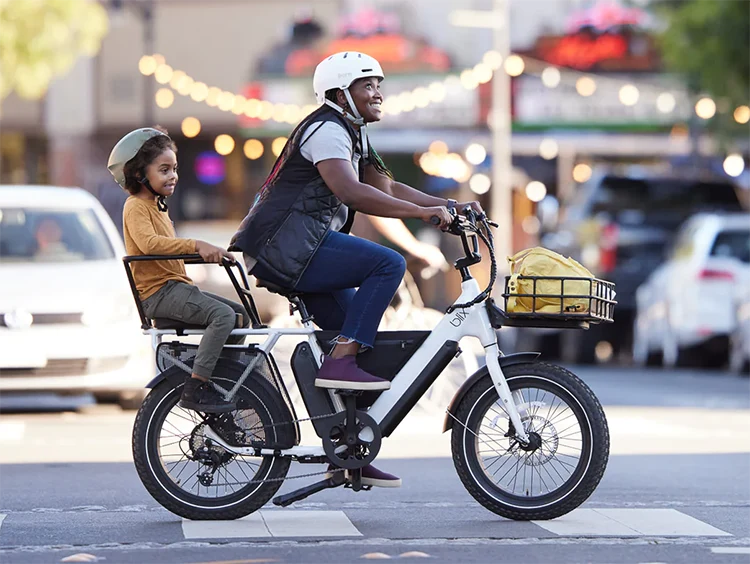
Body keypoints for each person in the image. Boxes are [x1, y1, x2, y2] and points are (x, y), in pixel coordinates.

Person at [230, 52, 482, 487]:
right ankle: (341, 362)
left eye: (379, 84)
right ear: (339, 93)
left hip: (300, 248)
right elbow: (353, 192)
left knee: (357, 340)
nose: (378, 92)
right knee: (387, 263)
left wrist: (448, 206)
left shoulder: (353, 133)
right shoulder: (327, 130)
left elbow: (387, 186)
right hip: (287, 247)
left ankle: (348, 450)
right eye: (367, 85)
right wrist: (423, 216)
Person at [107, 126, 249, 413]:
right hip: (158, 293)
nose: (173, 175)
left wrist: (214, 253)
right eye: (164, 170)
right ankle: (197, 386)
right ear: (139, 175)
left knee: (240, 315)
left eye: (174, 168)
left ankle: (220, 375)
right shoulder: (135, 206)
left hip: (176, 288)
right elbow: (149, 245)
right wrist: (196, 245)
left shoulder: (159, 207)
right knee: (222, 316)